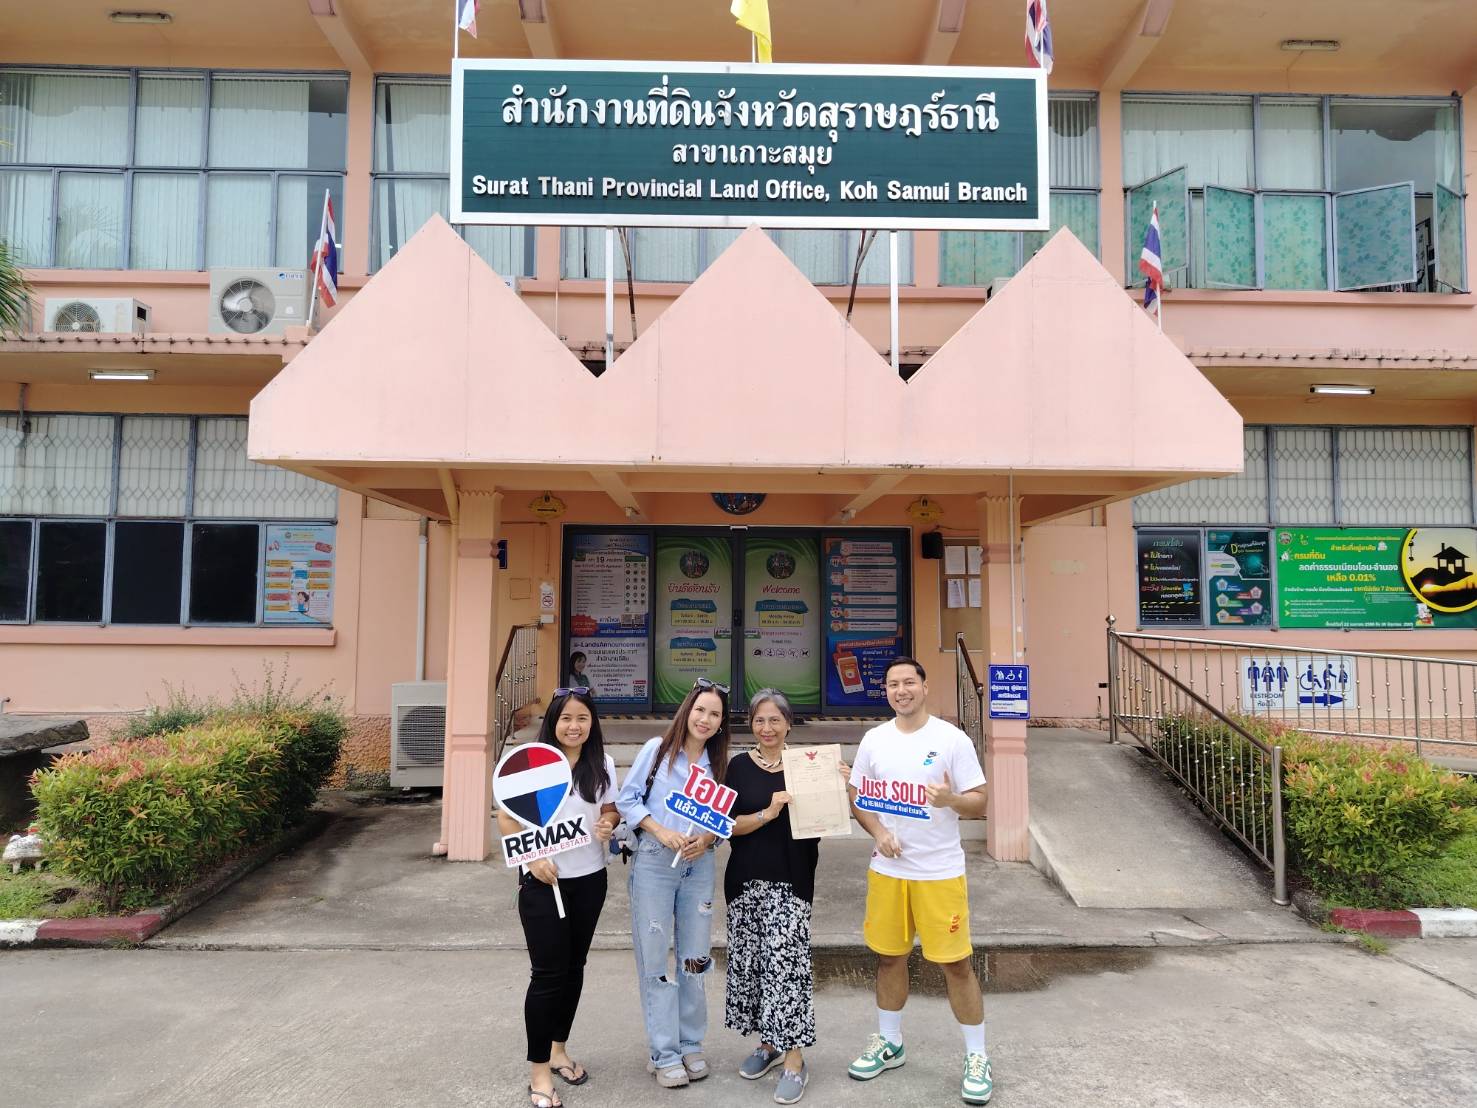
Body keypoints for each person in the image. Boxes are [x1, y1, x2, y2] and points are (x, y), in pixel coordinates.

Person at [846, 657, 992, 1105]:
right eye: (893, 684)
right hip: (888, 872)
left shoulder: (952, 739)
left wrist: (951, 800)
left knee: (956, 965)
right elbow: (858, 796)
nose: (901, 690)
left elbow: (980, 801)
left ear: (925, 687)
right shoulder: (874, 739)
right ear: (886, 692)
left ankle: (977, 1056)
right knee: (889, 958)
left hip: (939, 873)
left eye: (909, 682)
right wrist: (879, 832)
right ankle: (890, 1043)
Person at [496, 688, 619, 1108]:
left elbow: (610, 808)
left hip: (590, 879)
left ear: (592, 723)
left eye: (582, 718)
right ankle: (539, 1072)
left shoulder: (602, 764)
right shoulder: (531, 762)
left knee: (574, 969)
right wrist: (532, 860)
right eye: (566, 718)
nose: (574, 726)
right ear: (553, 722)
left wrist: (608, 822)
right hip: (543, 883)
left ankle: (558, 1049)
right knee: (547, 975)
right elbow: (506, 819)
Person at [724, 688, 845, 1104]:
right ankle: (770, 1044)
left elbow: (828, 820)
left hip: (791, 881)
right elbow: (726, 825)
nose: (767, 728)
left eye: (775, 720)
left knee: (787, 970)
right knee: (757, 967)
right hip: (745, 881)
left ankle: (795, 1060)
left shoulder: (809, 766)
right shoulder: (738, 767)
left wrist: (839, 789)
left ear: (789, 724)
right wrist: (767, 813)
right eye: (759, 720)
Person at [616, 678, 732, 1089]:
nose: (705, 719)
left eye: (714, 714)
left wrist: (709, 838)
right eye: (700, 710)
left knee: (695, 958)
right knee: (655, 959)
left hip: (699, 866)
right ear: (687, 711)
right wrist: (660, 831)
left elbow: (724, 821)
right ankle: (663, 1053)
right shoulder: (657, 750)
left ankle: (690, 1044)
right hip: (654, 862)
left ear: (721, 723)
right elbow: (627, 800)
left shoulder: (720, 764)